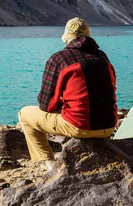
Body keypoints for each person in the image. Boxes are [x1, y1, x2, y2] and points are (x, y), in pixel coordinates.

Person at [19, 18, 117, 169]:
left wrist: (62, 105)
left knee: (24, 115)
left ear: (67, 36)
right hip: (109, 126)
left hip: (79, 127)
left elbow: (46, 104)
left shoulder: (59, 59)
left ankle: (48, 163)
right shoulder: (102, 57)